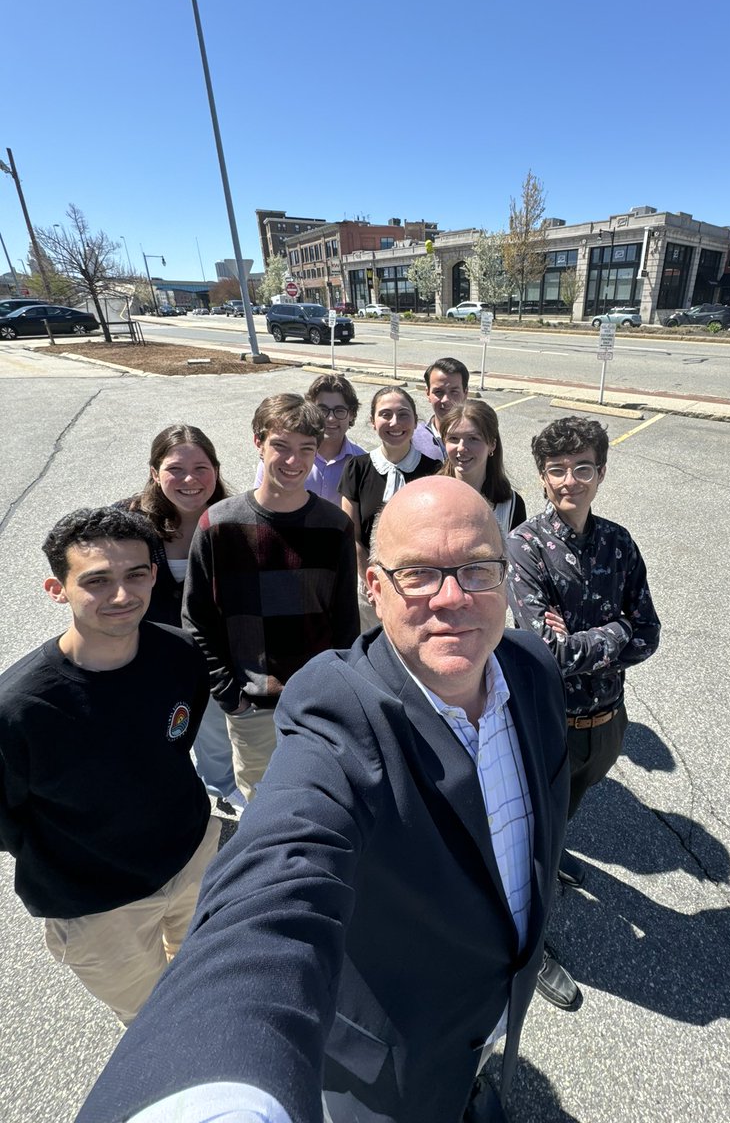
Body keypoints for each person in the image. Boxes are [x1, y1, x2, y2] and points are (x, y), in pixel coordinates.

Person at [77, 478, 570, 1123]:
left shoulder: (530, 668)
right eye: (419, 574)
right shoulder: (337, 706)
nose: (453, 598)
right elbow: (277, 875)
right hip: (389, 1065)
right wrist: (214, 1092)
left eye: (477, 568)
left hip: (497, 1007)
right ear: (374, 587)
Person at [0, 507, 219, 1026]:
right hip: (98, 907)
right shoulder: (18, 709)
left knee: (208, 986)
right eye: (97, 580)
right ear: (58, 589)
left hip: (192, 860)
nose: (122, 595)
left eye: (136, 574)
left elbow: (177, 741)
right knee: (153, 1026)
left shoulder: (182, 654)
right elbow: (6, 823)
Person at [507, 415, 661, 1010]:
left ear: (601, 472)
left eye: (583, 468)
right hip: (549, 727)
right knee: (530, 843)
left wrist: (588, 638)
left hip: (606, 723)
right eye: (557, 470)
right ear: (543, 479)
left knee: (562, 818)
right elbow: (546, 653)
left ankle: (550, 858)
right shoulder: (525, 546)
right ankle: (529, 948)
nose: (570, 480)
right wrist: (613, 633)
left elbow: (649, 635)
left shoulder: (619, 542)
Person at [183, 394, 359, 804]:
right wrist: (231, 696)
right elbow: (198, 620)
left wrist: (339, 693)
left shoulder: (334, 527)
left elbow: (345, 621)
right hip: (252, 709)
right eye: (280, 445)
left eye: (306, 449)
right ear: (258, 442)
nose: (293, 461)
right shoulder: (219, 525)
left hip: (318, 704)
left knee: (319, 801)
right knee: (262, 809)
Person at [122, 424, 243, 815]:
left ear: (216, 470)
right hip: (147, 650)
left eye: (201, 467)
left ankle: (220, 786)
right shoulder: (128, 523)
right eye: (175, 468)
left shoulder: (235, 521)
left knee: (212, 725)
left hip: (211, 650)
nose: (190, 480)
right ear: (155, 472)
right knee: (151, 727)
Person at [339, 386, 441, 628]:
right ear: (373, 422)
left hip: (421, 587)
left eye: (403, 414)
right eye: (385, 414)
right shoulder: (357, 468)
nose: (395, 422)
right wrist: (372, 583)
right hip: (369, 588)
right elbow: (351, 536)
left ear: (416, 421)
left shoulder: (433, 470)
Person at [254, 373, 365, 505]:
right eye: (322, 410)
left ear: (351, 415)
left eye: (339, 410)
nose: (330, 418)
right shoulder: (280, 459)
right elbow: (259, 503)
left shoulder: (362, 462)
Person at [438, 399, 527, 536]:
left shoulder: (512, 505)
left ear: (492, 444)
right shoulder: (430, 494)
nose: (461, 448)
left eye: (473, 439)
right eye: (453, 438)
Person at [413, 356, 469, 459]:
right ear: (428, 393)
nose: (446, 400)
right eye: (438, 392)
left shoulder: (477, 439)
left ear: (465, 393)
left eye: (454, 392)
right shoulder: (413, 439)